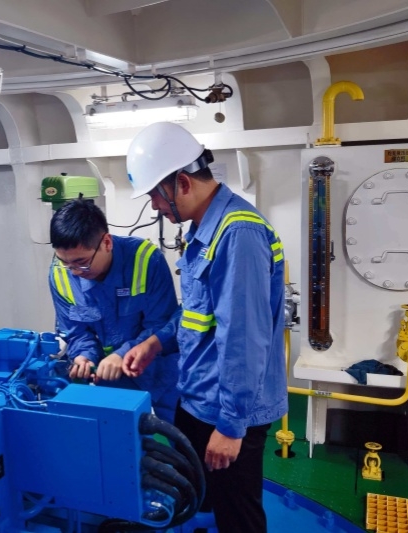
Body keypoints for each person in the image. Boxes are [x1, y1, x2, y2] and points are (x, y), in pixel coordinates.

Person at [121, 122, 288, 532]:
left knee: (237, 515)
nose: (155, 208)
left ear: (181, 183)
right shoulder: (203, 229)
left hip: (226, 410)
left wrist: (231, 426)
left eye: (155, 196)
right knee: (201, 497)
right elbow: (198, 312)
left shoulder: (238, 233)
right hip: (198, 397)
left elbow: (243, 340)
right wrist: (155, 343)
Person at [48, 199, 180, 423]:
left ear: (107, 243)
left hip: (158, 372)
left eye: (82, 262)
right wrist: (84, 357)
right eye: (65, 262)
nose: (75, 272)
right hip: (108, 378)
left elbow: (161, 324)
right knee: (118, 436)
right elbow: (76, 332)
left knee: (174, 435)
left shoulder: (145, 260)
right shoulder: (61, 275)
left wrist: (122, 354)